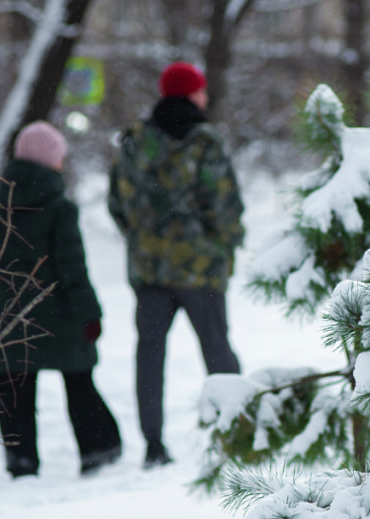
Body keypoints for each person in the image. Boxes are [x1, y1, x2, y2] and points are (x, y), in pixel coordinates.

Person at [107, 61, 245, 469]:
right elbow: (225, 204)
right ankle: (236, 436)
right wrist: (226, 242)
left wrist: (143, 237)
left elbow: (118, 203)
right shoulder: (204, 142)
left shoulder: (135, 141)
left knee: (149, 356)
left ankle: (153, 446)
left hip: (149, 269)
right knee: (218, 353)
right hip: (200, 269)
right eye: (201, 89)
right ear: (191, 93)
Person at [0, 121, 123, 479]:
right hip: (61, 312)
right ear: (50, 159)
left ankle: (21, 460)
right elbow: (72, 269)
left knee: (16, 387)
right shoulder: (59, 207)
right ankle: (98, 449)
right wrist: (90, 314)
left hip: (13, 314)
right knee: (78, 381)